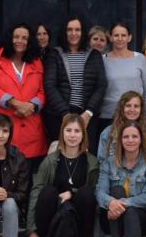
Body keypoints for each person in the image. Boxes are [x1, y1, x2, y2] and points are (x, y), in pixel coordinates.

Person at [26, 114, 98, 237]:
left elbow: (95, 193)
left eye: (77, 131)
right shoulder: (50, 161)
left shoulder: (91, 162)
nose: (72, 135)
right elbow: (36, 193)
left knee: (86, 193)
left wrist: (72, 193)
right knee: (47, 192)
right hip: (54, 213)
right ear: (62, 133)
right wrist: (31, 230)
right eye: (68, 130)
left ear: (83, 134)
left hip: (78, 215)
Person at [0, 23, 47, 175]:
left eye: (25, 38)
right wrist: (17, 104)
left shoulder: (36, 62)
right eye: (16, 37)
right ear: (9, 39)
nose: (20, 41)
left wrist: (31, 106)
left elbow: (43, 92)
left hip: (31, 127)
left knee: (28, 177)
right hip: (3, 127)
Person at [42, 15, 107, 152]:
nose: (73, 33)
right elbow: (49, 85)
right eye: (69, 30)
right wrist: (65, 113)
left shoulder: (94, 55)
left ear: (83, 32)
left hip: (87, 116)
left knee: (86, 156)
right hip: (59, 116)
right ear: (64, 32)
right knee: (60, 156)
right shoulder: (55, 54)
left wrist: (88, 113)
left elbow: (101, 86)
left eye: (77, 30)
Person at [97, 22, 146, 137]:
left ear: (129, 37)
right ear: (110, 37)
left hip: (135, 117)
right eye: (116, 35)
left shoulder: (140, 59)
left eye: (123, 35)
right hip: (109, 117)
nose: (120, 39)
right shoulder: (102, 60)